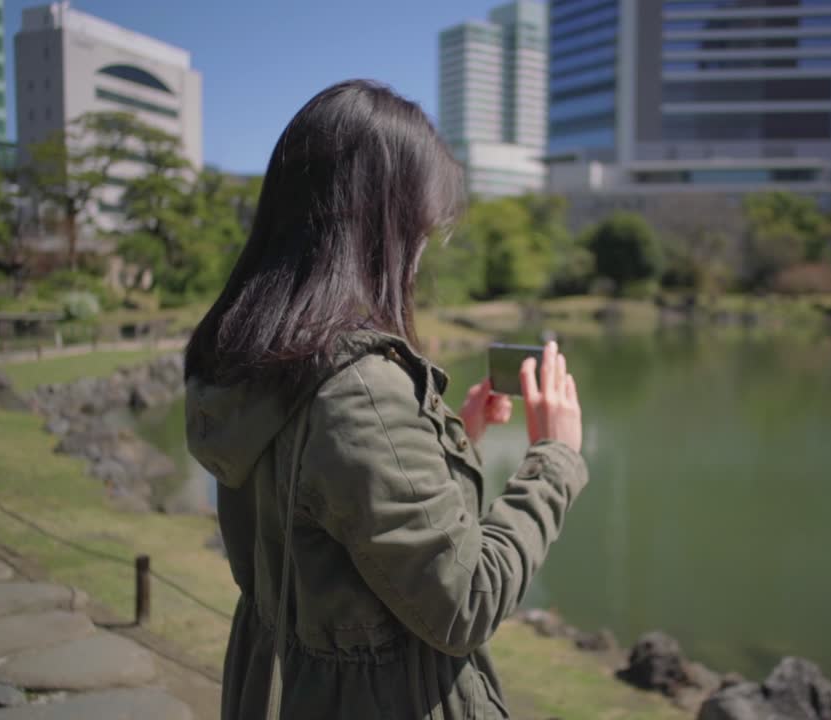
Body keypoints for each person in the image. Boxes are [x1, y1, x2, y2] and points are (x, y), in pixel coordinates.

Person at [183, 79, 588, 720]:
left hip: (276, 684)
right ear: (386, 225)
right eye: (423, 228)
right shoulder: (359, 391)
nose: (422, 252)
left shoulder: (251, 358)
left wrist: (447, 438)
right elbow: (464, 602)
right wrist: (554, 459)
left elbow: (325, 504)